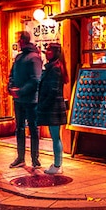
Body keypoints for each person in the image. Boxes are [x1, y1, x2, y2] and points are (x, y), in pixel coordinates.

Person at [7, 30, 42, 168]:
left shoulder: (34, 57)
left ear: (23, 41)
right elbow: (11, 75)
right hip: (19, 99)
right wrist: (11, 88)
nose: (17, 42)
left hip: (31, 100)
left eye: (18, 40)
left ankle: (35, 159)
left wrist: (20, 91)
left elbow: (36, 80)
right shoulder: (19, 58)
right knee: (19, 128)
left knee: (33, 128)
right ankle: (20, 158)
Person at [36, 42, 69, 175]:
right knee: (55, 136)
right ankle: (57, 163)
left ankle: (57, 165)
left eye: (49, 50)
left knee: (55, 136)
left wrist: (43, 104)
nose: (47, 53)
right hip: (53, 105)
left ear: (55, 52)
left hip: (53, 106)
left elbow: (53, 90)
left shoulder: (54, 68)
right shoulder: (54, 66)